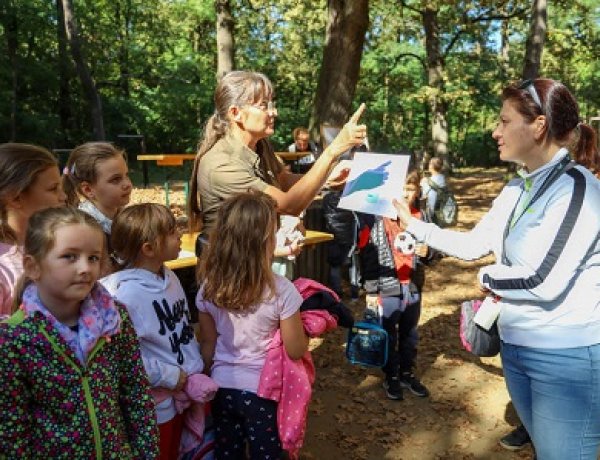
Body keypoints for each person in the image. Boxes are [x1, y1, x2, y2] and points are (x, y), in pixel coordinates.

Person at [393, 78, 600, 459]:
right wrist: (414, 225)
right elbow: (475, 243)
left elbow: (544, 281)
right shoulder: (518, 188)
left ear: (538, 126)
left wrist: (486, 278)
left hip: (564, 358)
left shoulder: (577, 189)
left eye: (504, 121)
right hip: (517, 348)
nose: (495, 130)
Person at [0, 206, 158, 457]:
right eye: (70, 257)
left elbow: (136, 393)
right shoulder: (14, 339)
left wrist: (145, 453)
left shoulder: (115, 319)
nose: (85, 268)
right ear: (33, 267)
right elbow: (12, 431)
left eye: (93, 257)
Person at [188, 70, 367, 250]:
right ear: (236, 113)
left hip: (253, 261)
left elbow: (282, 181)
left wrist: (327, 179)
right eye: (264, 105)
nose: (274, 112)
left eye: (272, 104)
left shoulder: (260, 145)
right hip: (225, 269)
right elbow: (290, 205)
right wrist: (333, 150)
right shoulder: (221, 165)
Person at [195, 191, 309, 459]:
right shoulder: (282, 290)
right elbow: (295, 350)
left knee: (228, 453)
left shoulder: (209, 288)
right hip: (263, 392)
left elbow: (208, 345)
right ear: (265, 241)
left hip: (221, 389)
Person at [100, 203, 211, 460]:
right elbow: (122, 355)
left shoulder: (168, 276)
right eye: (172, 231)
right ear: (148, 248)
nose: (180, 233)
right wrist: (169, 375)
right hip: (158, 405)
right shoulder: (125, 296)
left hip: (186, 392)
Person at [361, 170, 434, 400]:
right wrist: (372, 290)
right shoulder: (379, 219)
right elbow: (369, 255)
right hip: (388, 285)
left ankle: (406, 373)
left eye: (410, 189)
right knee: (388, 332)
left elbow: (436, 249)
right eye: (401, 188)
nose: (405, 193)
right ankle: (390, 375)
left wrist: (429, 252)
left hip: (412, 285)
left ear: (418, 191)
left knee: (410, 333)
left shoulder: (422, 217)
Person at [0, 143, 66, 317]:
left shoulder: (61, 243)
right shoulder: (4, 266)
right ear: (15, 198)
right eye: (53, 189)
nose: (63, 196)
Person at [63, 141, 133, 273]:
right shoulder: (85, 227)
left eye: (126, 175)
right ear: (88, 189)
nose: (127, 184)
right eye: (116, 179)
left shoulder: (123, 216)